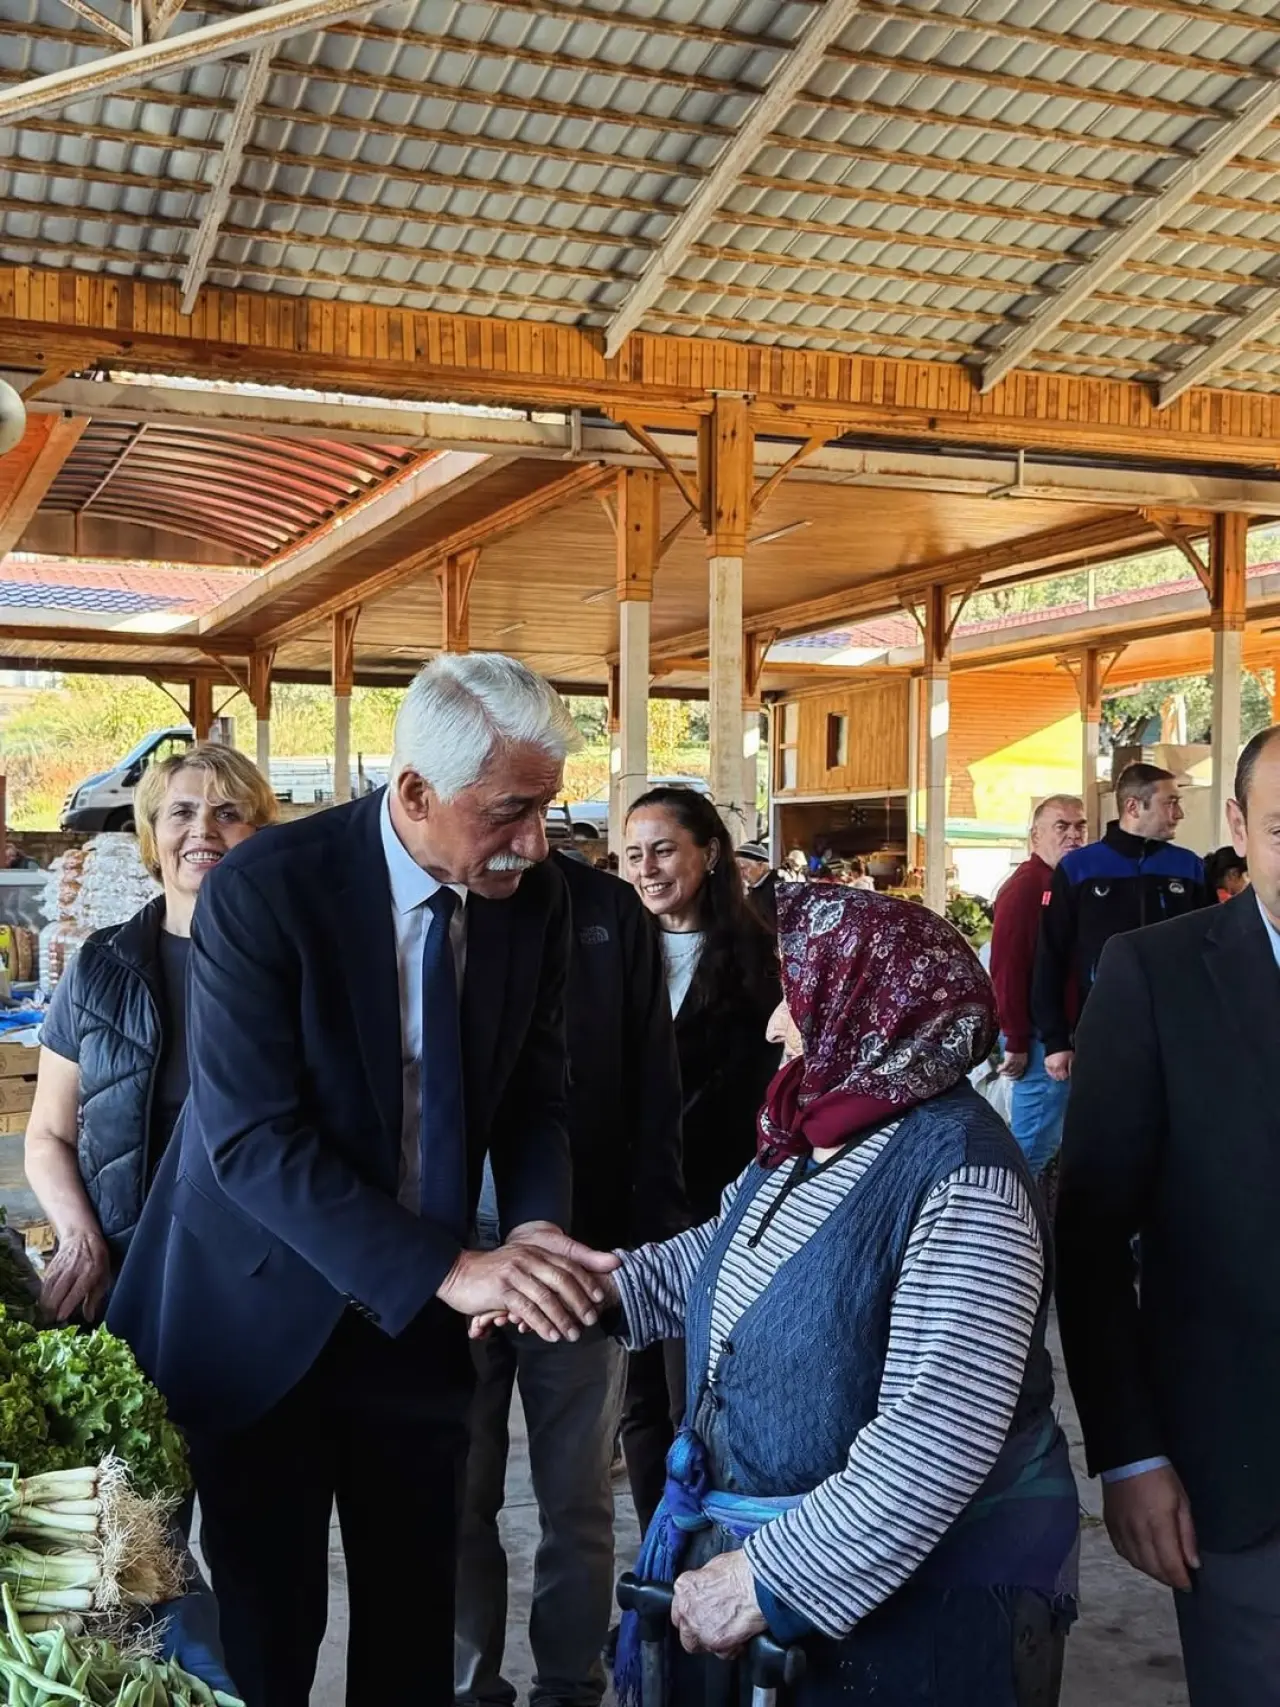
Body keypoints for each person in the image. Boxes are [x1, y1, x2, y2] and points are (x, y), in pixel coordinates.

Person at [108, 655, 618, 1707]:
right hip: (257, 1313)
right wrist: (455, 1267)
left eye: (544, 811)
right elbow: (251, 1141)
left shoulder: (534, 899)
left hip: (418, 1322)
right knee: (267, 1630)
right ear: (416, 794)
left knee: (410, 1624)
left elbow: (531, 1095)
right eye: (510, 813)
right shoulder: (267, 888)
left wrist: (526, 1232)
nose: (532, 843)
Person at [481, 887, 1080, 1705]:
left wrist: (769, 1577)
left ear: (868, 1002)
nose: (774, 1025)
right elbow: (731, 1257)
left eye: (795, 999)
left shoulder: (964, 1176)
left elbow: (934, 1437)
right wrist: (588, 1287)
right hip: (781, 1570)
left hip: (921, 1607)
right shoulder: (819, 1130)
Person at [1055, 723, 1280, 1707]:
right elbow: (1094, 1238)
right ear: (1236, 828)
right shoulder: (1154, 977)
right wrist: (1130, 1452)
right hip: (1236, 1475)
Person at [455, 846, 686, 1707]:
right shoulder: (430, 904)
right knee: (458, 1490)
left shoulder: (604, 910)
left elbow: (653, 1079)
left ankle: (569, 1684)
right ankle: (469, 1685)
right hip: (450, 1264)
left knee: (577, 1495)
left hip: (577, 1254)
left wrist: (650, 1247)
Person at [25, 744, 278, 1320]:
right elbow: (47, 1136)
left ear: (260, 838)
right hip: (125, 1270)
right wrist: (79, 1237)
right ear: (152, 835)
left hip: (259, 1282)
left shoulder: (297, 967)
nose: (204, 830)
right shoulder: (99, 965)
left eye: (229, 813)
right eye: (182, 813)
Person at [620, 787, 781, 1531]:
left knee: (700, 1404)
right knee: (641, 1406)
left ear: (709, 852)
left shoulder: (761, 960)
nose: (646, 869)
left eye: (663, 850)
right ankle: (658, 1565)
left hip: (718, 1216)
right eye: (633, 855)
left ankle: (703, 1568)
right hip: (624, 1213)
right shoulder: (612, 953)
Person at [1031, 762, 1209, 1084]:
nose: (1179, 814)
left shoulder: (1189, 867)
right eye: (1170, 803)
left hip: (1179, 1031)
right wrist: (1055, 1040)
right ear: (1133, 806)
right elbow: (1050, 957)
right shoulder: (1079, 868)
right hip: (1103, 1027)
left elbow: (1212, 951)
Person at [988, 795, 1087, 1175]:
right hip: (1039, 1037)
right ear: (1035, 836)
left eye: (1079, 826)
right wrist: (1014, 1038)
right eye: (1061, 827)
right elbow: (1008, 968)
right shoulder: (1027, 887)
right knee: (1033, 1146)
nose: (1073, 836)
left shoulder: (1063, 883)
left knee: (1043, 1139)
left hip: (1056, 1033)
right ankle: (1006, 1224)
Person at [734, 839, 778, 931]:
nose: (741, 874)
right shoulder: (755, 888)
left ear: (761, 865)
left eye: (743, 868)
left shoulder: (775, 889)